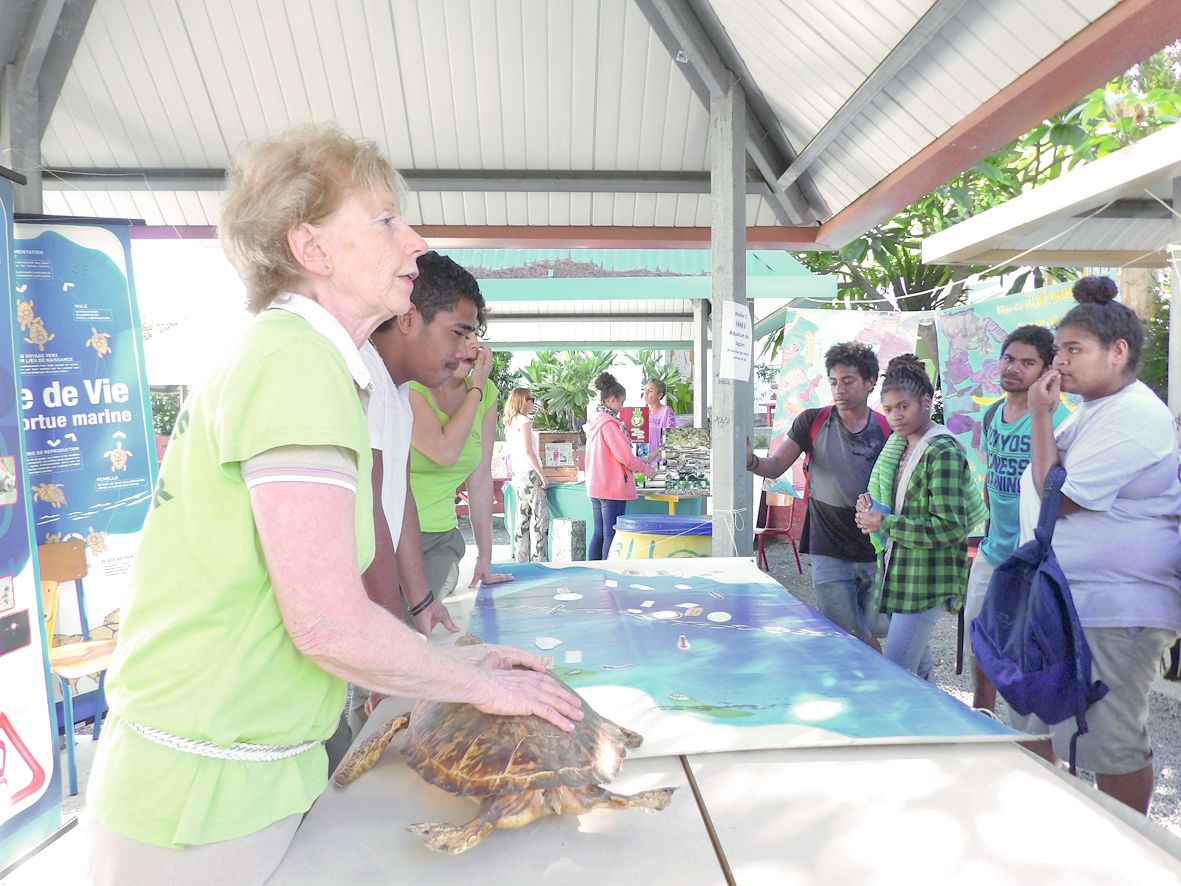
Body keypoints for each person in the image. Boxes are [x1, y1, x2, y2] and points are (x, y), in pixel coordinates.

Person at [83, 126, 582, 885]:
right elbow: (325, 621)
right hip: (198, 799)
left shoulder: (308, 359)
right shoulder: (295, 364)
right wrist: (481, 683)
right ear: (311, 249)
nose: (413, 241)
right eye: (385, 220)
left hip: (233, 779)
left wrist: (449, 655)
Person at [1017, 276, 1181, 814]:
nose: (1058, 363)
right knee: (1046, 724)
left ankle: (1134, 852)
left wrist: (1041, 414)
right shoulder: (1093, 409)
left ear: (1118, 352)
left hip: (1119, 607)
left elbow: (1054, 496)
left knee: (1110, 745)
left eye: (1072, 350)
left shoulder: (1135, 414)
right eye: (1058, 350)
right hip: (1071, 599)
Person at [748, 342, 890, 648]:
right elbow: (775, 467)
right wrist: (751, 462)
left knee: (873, 629)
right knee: (846, 633)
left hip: (876, 548)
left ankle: (870, 685)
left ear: (869, 382)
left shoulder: (887, 429)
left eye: (848, 381)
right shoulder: (812, 420)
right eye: (834, 381)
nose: (839, 389)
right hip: (828, 546)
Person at [855, 355, 985, 681]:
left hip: (926, 579)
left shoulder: (941, 451)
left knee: (896, 676)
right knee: (915, 677)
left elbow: (951, 528)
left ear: (926, 401)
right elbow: (899, 503)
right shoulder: (901, 446)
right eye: (888, 409)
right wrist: (872, 507)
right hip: (905, 572)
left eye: (904, 406)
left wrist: (883, 524)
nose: (896, 416)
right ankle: (932, 730)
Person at [964, 325, 1068, 711]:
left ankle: (1032, 728)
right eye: (1009, 358)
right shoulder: (992, 414)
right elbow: (993, 479)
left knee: (1030, 646)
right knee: (979, 632)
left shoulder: (1057, 418)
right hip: (994, 552)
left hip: (1035, 555)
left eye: (1027, 362)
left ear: (1044, 371)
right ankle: (983, 711)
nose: (1013, 368)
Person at [407, 253, 508, 600]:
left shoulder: (486, 393)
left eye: (474, 334)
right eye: (460, 334)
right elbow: (444, 450)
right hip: (391, 535)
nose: (471, 345)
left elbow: (479, 478)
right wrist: (476, 388)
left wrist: (486, 557)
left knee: (426, 616)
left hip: (443, 539)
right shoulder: (410, 385)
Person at [584, 372, 655, 560]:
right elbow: (626, 457)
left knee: (599, 534)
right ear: (612, 400)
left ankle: (593, 572)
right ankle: (607, 575)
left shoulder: (594, 422)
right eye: (621, 402)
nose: (622, 407)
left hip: (596, 487)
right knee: (611, 535)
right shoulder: (609, 425)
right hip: (612, 487)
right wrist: (647, 470)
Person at [503, 387, 550, 563]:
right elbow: (529, 451)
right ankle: (540, 559)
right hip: (529, 473)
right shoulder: (524, 421)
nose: (533, 402)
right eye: (531, 399)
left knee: (522, 519)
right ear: (523, 400)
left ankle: (520, 560)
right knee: (540, 518)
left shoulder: (510, 422)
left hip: (518, 475)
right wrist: (542, 475)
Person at [643, 378, 678, 459]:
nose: (646, 393)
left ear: (659, 395)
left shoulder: (666, 411)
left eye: (650, 391)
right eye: (645, 390)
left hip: (658, 462)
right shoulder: (641, 413)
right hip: (642, 461)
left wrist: (652, 456)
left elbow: (670, 438)